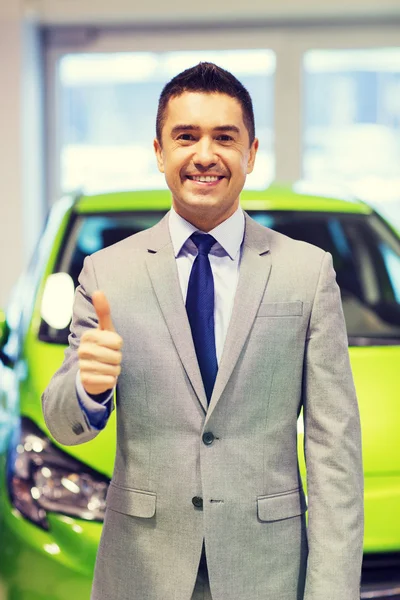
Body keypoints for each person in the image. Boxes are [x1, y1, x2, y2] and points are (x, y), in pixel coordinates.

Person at [42, 62, 364, 600]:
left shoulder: (307, 273)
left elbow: (335, 450)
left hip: (268, 572)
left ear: (251, 153)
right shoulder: (106, 273)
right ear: (160, 151)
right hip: (142, 571)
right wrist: (88, 388)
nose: (205, 154)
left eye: (224, 137)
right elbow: (63, 423)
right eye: (186, 136)